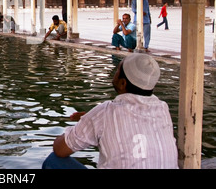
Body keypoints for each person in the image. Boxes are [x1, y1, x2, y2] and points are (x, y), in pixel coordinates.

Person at [42, 53, 178, 169]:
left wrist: (87, 123)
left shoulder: (105, 112)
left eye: (117, 70)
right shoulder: (163, 109)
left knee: (53, 161)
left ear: (123, 83)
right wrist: (91, 121)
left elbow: (60, 149)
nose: (114, 73)